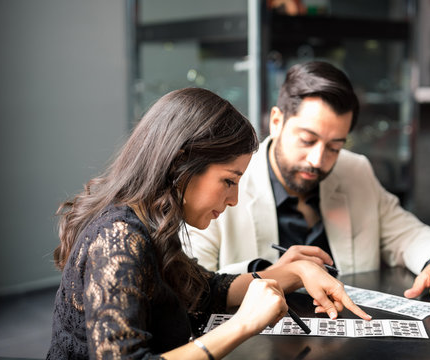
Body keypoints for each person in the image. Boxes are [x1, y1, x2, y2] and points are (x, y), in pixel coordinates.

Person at [46, 87, 370, 360]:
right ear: (181, 163)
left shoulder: (151, 225)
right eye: (229, 181)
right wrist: (243, 324)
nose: (234, 200)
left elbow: (207, 289)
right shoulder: (119, 236)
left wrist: (296, 272)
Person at [186, 61, 430, 299]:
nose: (318, 160)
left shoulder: (355, 170)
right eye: (307, 140)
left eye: (334, 147)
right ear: (276, 121)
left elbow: (408, 234)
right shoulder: (228, 180)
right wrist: (273, 274)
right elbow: (190, 282)